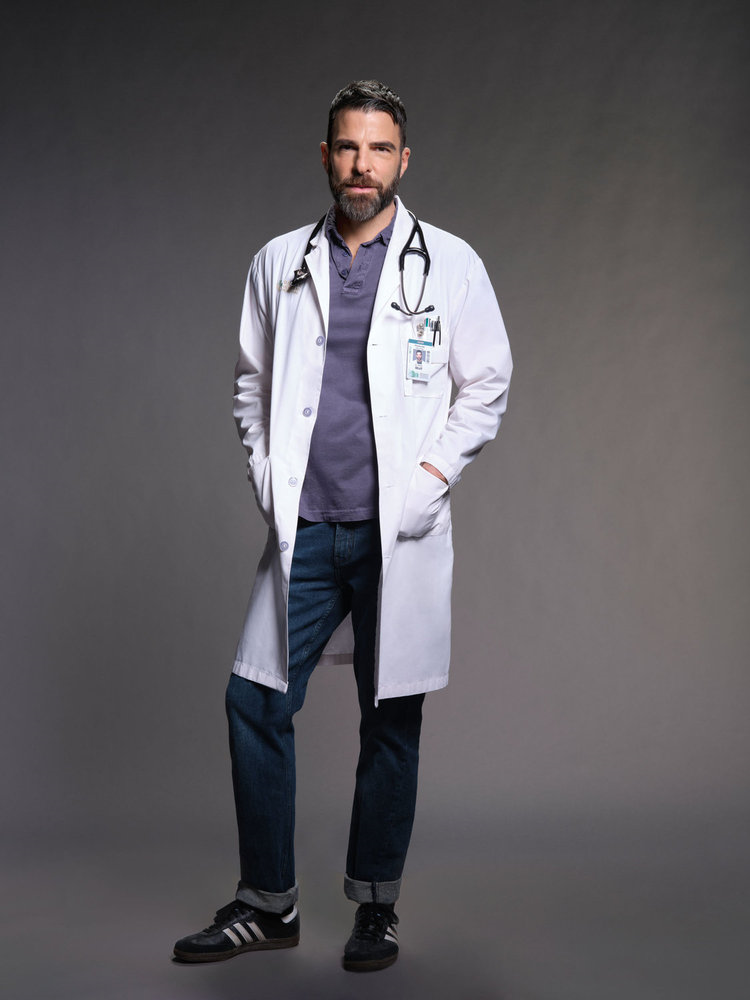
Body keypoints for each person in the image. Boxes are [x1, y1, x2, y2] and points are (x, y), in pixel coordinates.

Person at [173, 80, 512, 973]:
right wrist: (266, 472)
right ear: (325, 156)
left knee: (389, 717)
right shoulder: (278, 261)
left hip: (395, 533)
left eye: (380, 149)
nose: (363, 165)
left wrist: (428, 482)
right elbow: (251, 382)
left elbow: (487, 386)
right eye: (348, 148)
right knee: (255, 701)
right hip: (307, 529)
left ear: (405, 159)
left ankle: (374, 908)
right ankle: (268, 903)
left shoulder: (450, 264)